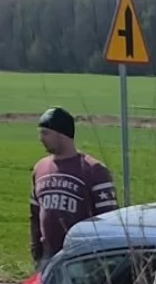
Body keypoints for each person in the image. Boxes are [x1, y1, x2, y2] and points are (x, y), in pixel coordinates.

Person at [29, 107, 119, 270]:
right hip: (48, 259)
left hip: (83, 260)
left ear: (62, 134)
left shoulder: (94, 170)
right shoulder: (39, 169)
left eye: (45, 133)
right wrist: (36, 253)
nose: (40, 138)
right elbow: (34, 216)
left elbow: (109, 220)